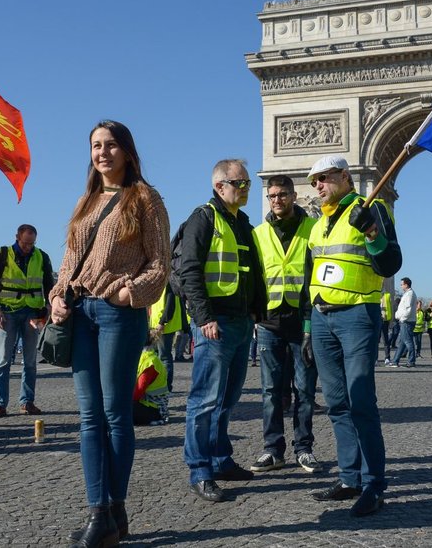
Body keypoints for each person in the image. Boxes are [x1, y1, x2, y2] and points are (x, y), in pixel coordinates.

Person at [50, 120, 169, 546]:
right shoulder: (85, 201)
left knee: (116, 414)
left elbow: (160, 263)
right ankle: (103, 512)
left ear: (128, 151)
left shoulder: (146, 198)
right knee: (88, 417)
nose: (103, 153)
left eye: (111, 145)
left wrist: (129, 290)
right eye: (96, 146)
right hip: (79, 314)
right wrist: (57, 296)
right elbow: (69, 261)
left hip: (119, 314)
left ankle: (112, 509)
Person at [303, 155, 402, 517]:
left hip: (358, 315)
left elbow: (390, 263)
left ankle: (374, 483)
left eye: (324, 178)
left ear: (345, 177)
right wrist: (307, 326)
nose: (317, 185)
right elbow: (308, 279)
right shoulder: (316, 225)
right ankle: (349, 477)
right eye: (314, 181)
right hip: (322, 319)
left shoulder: (372, 209)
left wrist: (373, 233)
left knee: (361, 401)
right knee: (337, 403)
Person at [177, 158, 266, 503]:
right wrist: (204, 318)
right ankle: (199, 469)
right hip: (214, 323)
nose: (246, 188)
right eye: (240, 183)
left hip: (242, 322)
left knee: (227, 400)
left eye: (247, 183)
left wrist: (256, 309)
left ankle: (220, 458)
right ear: (220, 186)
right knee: (204, 400)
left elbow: (252, 270)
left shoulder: (242, 222)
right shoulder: (204, 217)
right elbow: (190, 271)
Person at [249, 174, 321, 475]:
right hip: (269, 322)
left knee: (304, 390)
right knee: (270, 390)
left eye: (282, 194)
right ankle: (273, 450)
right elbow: (253, 277)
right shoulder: (259, 233)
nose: (276, 200)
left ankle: (304, 449)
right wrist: (254, 314)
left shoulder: (313, 229)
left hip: (303, 322)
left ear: (293, 195)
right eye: (272, 195)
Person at [0, 224, 55, 418]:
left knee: (30, 361)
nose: (28, 247)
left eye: (31, 244)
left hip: (32, 312)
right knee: (3, 361)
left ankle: (27, 402)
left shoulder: (41, 256)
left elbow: (49, 282)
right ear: (17, 237)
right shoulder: (1, 254)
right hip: (8, 312)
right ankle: (0, 404)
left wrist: (50, 303)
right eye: (25, 243)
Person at [133, 339, 170, 426]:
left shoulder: (150, 362)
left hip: (153, 409)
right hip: (150, 404)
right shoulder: (145, 358)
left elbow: (138, 392)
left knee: (117, 411)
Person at [389, 278, 416, 367]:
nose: (401, 286)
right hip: (406, 320)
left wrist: (403, 318)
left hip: (407, 321)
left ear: (406, 285)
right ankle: (395, 361)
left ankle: (411, 361)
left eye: (402, 284)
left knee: (407, 341)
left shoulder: (410, 294)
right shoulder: (408, 294)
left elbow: (408, 309)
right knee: (402, 342)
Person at [411, 300, 426, 364]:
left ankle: (418, 353)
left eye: (420, 305)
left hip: (420, 330)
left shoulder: (422, 312)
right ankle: (411, 353)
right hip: (414, 329)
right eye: (419, 305)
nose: (420, 306)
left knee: (419, 342)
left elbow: (423, 320)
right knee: (413, 342)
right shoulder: (413, 311)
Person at [380, 291, 394, 361]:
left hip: (385, 320)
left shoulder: (387, 295)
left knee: (385, 340)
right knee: (375, 341)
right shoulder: (374, 294)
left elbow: (391, 307)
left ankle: (387, 358)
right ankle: (375, 359)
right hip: (376, 320)